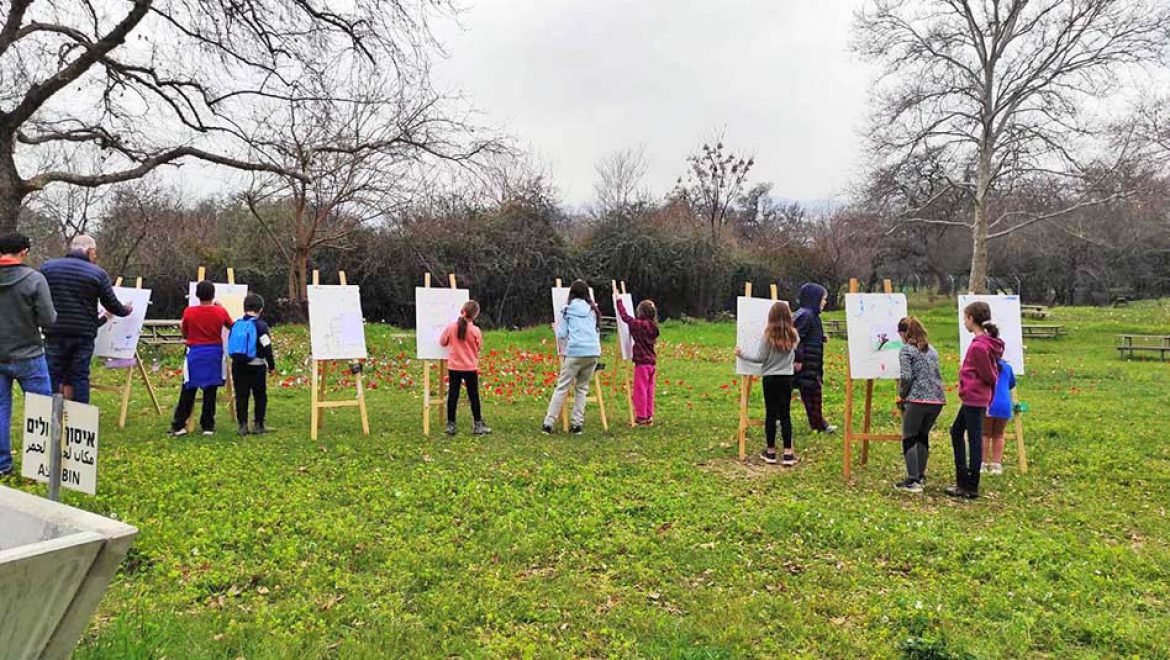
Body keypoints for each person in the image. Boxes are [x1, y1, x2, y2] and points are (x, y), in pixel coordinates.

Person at [40, 234, 133, 403]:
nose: (95, 257)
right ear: (89, 250)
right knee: (80, 376)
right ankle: (80, 416)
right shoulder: (97, 273)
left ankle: (48, 412)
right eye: (95, 253)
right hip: (82, 334)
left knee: (52, 374)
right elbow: (112, 304)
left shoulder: (47, 268)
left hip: (54, 331)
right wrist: (126, 310)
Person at [0, 234, 57, 477]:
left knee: (0, 409)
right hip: (29, 355)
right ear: (24, 251)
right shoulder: (34, 279)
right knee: (40, 409)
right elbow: (49, 319)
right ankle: (39, 464)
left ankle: (2, 465)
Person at [947, 302, 1005, 499]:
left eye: (965, 318)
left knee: (973, 438)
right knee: (957, 431)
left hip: (975, 397)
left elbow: (988, 374)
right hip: (973, 397)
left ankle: (970, 485)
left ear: (972, 319)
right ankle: (963, 478)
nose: (964, 322)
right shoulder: (984, 343)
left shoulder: (979, 346)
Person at [736, 301, 801, 466]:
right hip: (786, 378)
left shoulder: (768, 336)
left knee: (771, 414)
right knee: (785, 415)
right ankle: (788, 453)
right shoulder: (794, 335)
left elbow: (760, 358)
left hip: (770, 378)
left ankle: (770, 452)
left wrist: (741, 354)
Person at [169, 281, 233, 437]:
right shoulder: (220, 311)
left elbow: (185, 333)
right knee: (210, 391)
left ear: (197, 295)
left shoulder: (189, 312)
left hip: (196, 353)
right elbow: (232, 326)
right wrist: (222, 308)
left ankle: (179, 424)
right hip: (214, 354)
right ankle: (208, 426)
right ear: (213, 295)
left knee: (188, 390)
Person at [893, 317, 946, 494]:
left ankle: (913, 480)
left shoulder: (906, 350)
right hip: (937, 400)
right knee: (922, 436)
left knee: (909, 437)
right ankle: (921, 475)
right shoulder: (932, 350)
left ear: (904, 334)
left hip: (917, 399)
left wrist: (902, 395)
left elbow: (906, 376)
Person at [543, 280, 602, 435]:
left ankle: (549, 422)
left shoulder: (567, 310)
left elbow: (562, 335)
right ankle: (577, 425)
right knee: (582, 388)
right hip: (593, 351)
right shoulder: (593, 310)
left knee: (562, 387)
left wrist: (555, 328)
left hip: (575, 351)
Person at [439, 300, 491, 436]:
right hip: (470, 367)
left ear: (462, 311)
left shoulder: (451, 327)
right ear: (475, 315)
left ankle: (451, 425)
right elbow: (479, 347)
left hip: (454, 367)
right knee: (474, 397)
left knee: (453, 396)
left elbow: (442, 342)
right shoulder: (475, 331)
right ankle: (478, 424)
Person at [228, 293, 276, 436]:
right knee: (260, 395)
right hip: (256, 366)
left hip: (238, 365)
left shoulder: (236, 324)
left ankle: (242, 425)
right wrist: (271, 366)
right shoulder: (261, 326)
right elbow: (267, 347)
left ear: (244, 308)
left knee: (241, 395)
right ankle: (258, 424)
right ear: (260, 309)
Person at [794, 282, 836, 434]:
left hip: (812, 363)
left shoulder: (813, 316)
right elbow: (796, 338)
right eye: (823, 299)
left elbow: (808, 335)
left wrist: (820, 337)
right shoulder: (806, 315)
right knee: (812, 395)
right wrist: (798, 359)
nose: (825, 302)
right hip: (806, 364)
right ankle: (819, 425)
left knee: (813, 394)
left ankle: (818, 424)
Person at [615, 293, 660, 426]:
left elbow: (625, 317)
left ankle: (641, 416)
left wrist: (619, 302)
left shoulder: (639, 325)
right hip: (651, 363)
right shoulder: (653, 326)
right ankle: (649, 415)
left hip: (642, 363)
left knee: (640, 390)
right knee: (649, 390)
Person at [981, 356, 1016, 476]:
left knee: (985, 433)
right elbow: (1011, 384)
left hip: (988, 402)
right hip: (1004, 404)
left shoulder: (984, 366)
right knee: (999, 434)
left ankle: (983, 463)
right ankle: (997, 464)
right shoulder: (1008, 367)